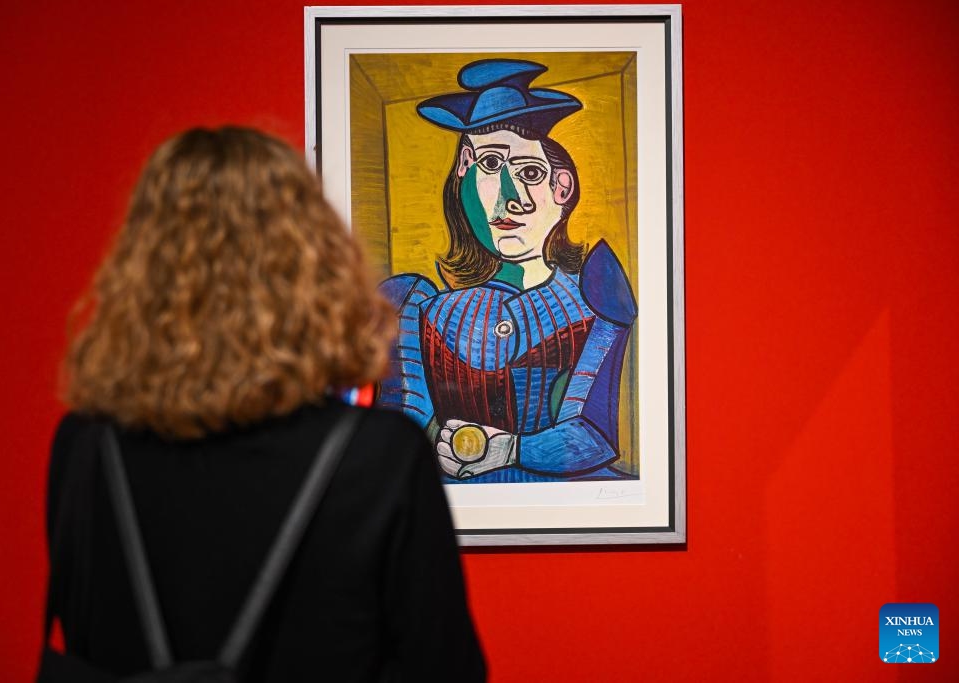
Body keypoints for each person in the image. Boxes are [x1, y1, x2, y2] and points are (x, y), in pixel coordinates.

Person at [43, 127, 486, 681]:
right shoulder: (378, 457)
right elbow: (446, 671)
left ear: (141, 268)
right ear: (311, 267)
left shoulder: (86, 448)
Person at [376, 59, 638, 483]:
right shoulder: (414, 306)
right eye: (491, 166)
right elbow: (393, 440)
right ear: (463, 173)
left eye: (530, 173)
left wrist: (512, 450)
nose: (510, 200)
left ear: (562, 189)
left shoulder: (597, 293)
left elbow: (593, 434)